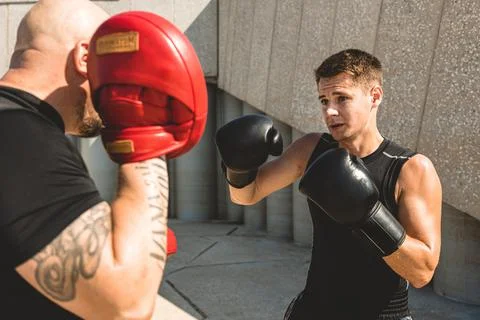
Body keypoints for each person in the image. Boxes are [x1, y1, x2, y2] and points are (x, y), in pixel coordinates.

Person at [0, 0, 207, 319]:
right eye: (112, 62)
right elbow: (126, 303)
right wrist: (143, 126)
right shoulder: (18, 135)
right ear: (86, 58)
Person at [215, 48, 442, 320]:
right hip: (315, 310)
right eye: (324, 100)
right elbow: (246, 196)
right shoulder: (312, 149)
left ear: (375, 96)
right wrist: (238, 168)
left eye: (342, 98)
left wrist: (370, 217)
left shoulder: (410, 169)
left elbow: (422, 273)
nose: (330, 111)